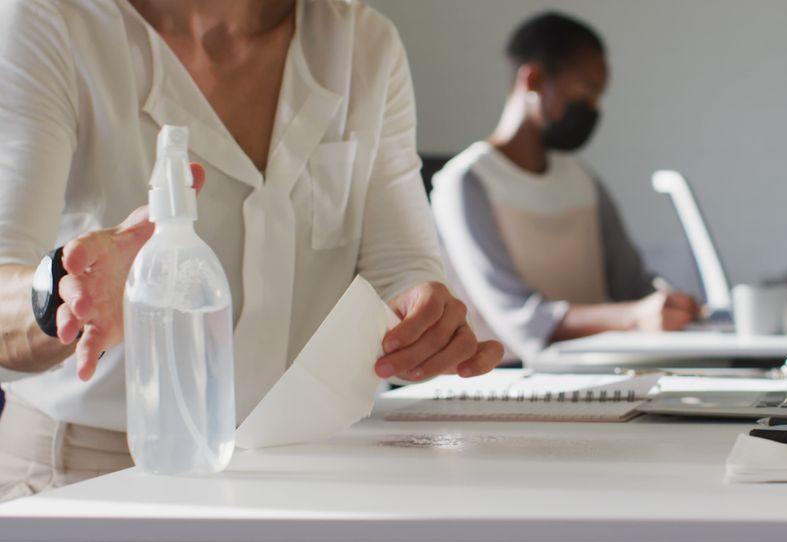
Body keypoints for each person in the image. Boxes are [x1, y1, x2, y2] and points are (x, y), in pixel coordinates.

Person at [0, 0, 501, 500]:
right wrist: (68, 296)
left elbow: (401, 269)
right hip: (87, 478)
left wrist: (423, 320)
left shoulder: (363, 43)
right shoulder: (49, 23)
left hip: (307, 471)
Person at [431, 12, 698, 364]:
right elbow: (520, 321)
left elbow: (633, 287)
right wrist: (634, 316)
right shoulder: (466, 183)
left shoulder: (583, 181)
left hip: (600, 373)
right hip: (508, 381)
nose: (593, 109)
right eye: (586, 92)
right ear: (534, 80)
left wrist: (671, 306)